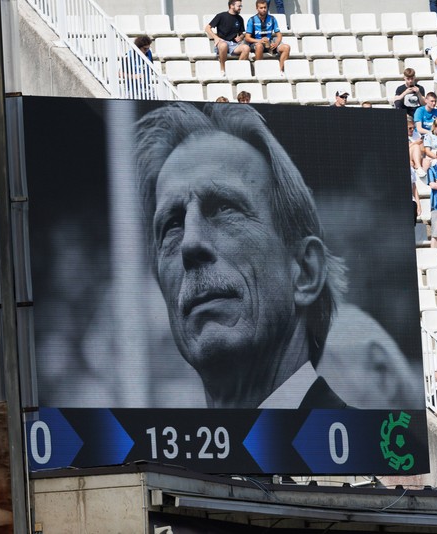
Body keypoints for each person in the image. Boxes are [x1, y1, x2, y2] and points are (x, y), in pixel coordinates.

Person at [135, 102, 351, 409]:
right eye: (172, 225)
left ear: (304, 272)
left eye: (224, 209)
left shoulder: (372, 452)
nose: (189, 244)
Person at [206, 0, 251, 76]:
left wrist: (240, 37)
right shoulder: (221, 16)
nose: (240, 8)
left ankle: (236, 70)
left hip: (233, 44)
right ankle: (223, 69)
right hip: (222, 42)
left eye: (241, 6)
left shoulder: (240, 18)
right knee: (224, 45)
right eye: (239, 6)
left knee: (246, 48)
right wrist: (215, 37)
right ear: (231, 6)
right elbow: (207, 28)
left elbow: (242, 34)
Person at [245, 0, 290, 74]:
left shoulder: (272, 18)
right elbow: (247, 38)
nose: (263, 9)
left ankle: (281, 71)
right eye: (261, 8)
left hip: (269, 43)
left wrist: (276, 43)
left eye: (265, 7)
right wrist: (259, 41)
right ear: (257, 8)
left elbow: (279, 35)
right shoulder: (252, 20)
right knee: (259, 46)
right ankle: (259, 71)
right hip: (257, 43)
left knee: (286, 47)